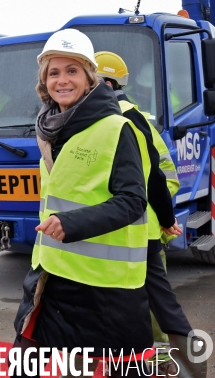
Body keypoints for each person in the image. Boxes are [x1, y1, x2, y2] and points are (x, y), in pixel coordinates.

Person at [12, 29, 153, 377]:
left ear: (89, 78)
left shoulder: (115, 128)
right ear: (44, 81)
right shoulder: (48, 130)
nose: (62, 80)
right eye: (54, 72)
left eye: (72, 71)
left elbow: (133, 201)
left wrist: (71, 224)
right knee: (23, 364)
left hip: (103, 289)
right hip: (52, 274)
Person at [95, 51, 192, 375]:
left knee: (151, 308)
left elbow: (163, 176)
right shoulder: (96, 118)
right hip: (116, 231)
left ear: (107, 83)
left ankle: (163, 361)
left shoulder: (127, 119)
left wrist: (159, 218)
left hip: (140, 231)